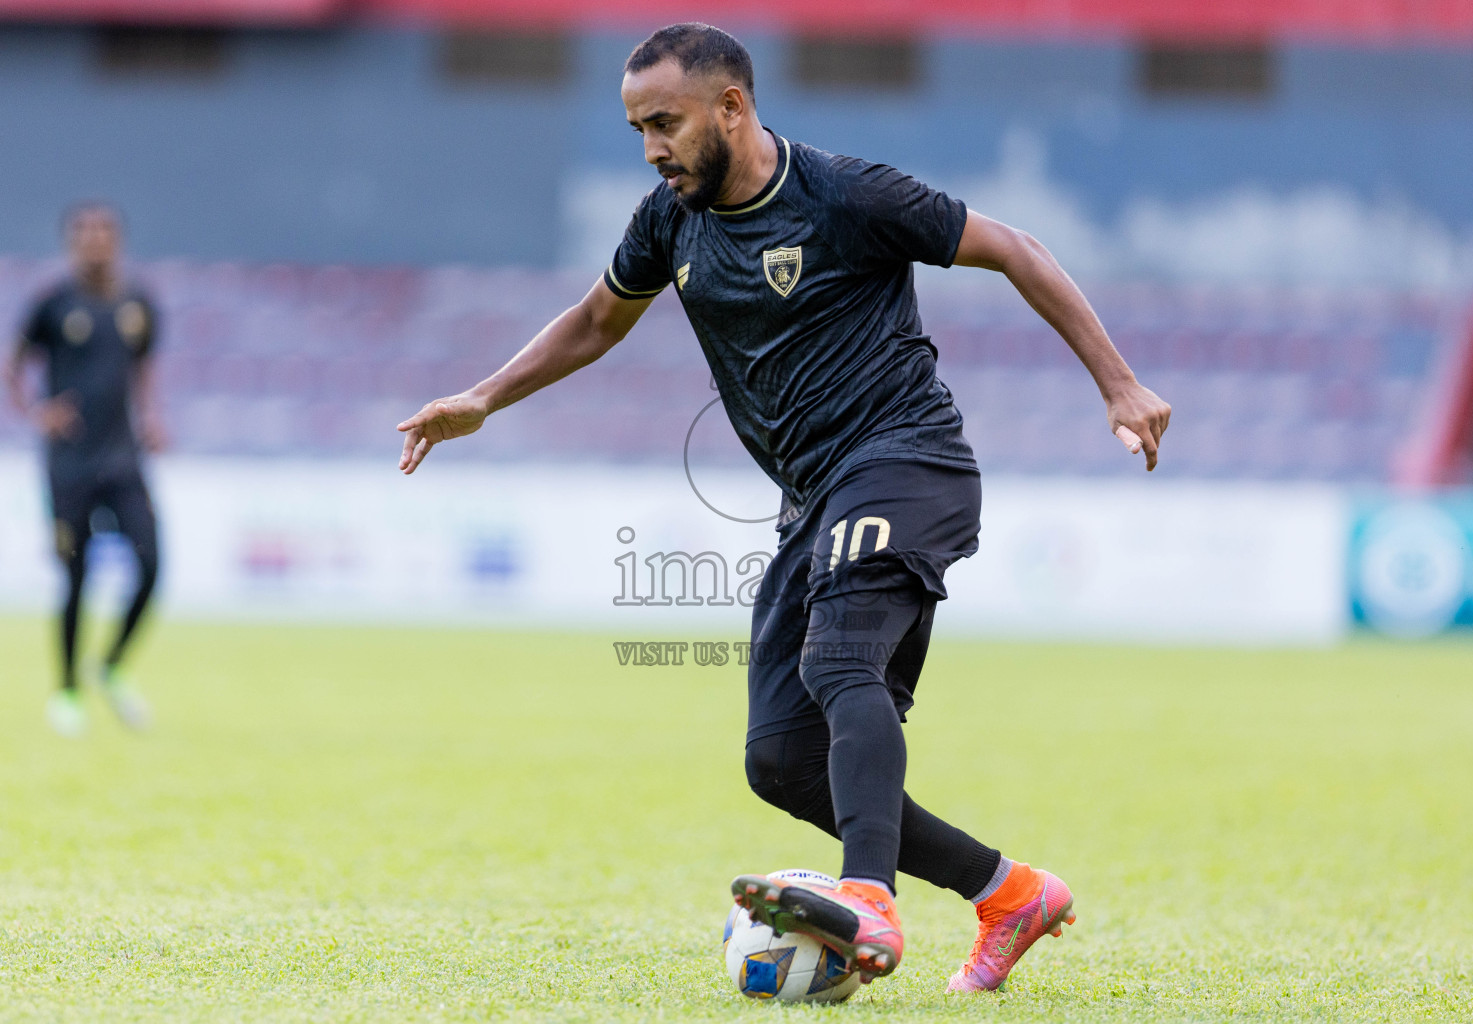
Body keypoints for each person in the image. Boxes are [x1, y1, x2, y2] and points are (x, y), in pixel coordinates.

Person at [397, 23, 1170, 993]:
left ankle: (870, 901)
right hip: (813, 498)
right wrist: (482, 397)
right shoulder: (668, 220)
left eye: (666, 124)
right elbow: (598, 319)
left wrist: (1122, 387)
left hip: (906, 460)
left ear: (732, 108)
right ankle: (1009, 892)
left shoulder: (846, 196)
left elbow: (1014, 249)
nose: (652, 149)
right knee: (783, 759)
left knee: (840, 658)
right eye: (638, 128)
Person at [5, 203, 164, 737]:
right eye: (86, 233)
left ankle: (112, 665)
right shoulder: (54, 302)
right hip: (69, 463)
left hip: (122, 459)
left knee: (152, 564)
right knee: (75, 574)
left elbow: (143, 366)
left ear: (116, 240)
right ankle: (69, 690)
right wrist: (34, 411)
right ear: (73, 242)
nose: (96, 241)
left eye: (104, 232)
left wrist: (152, 419)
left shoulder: (138, 302)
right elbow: (15, 362)